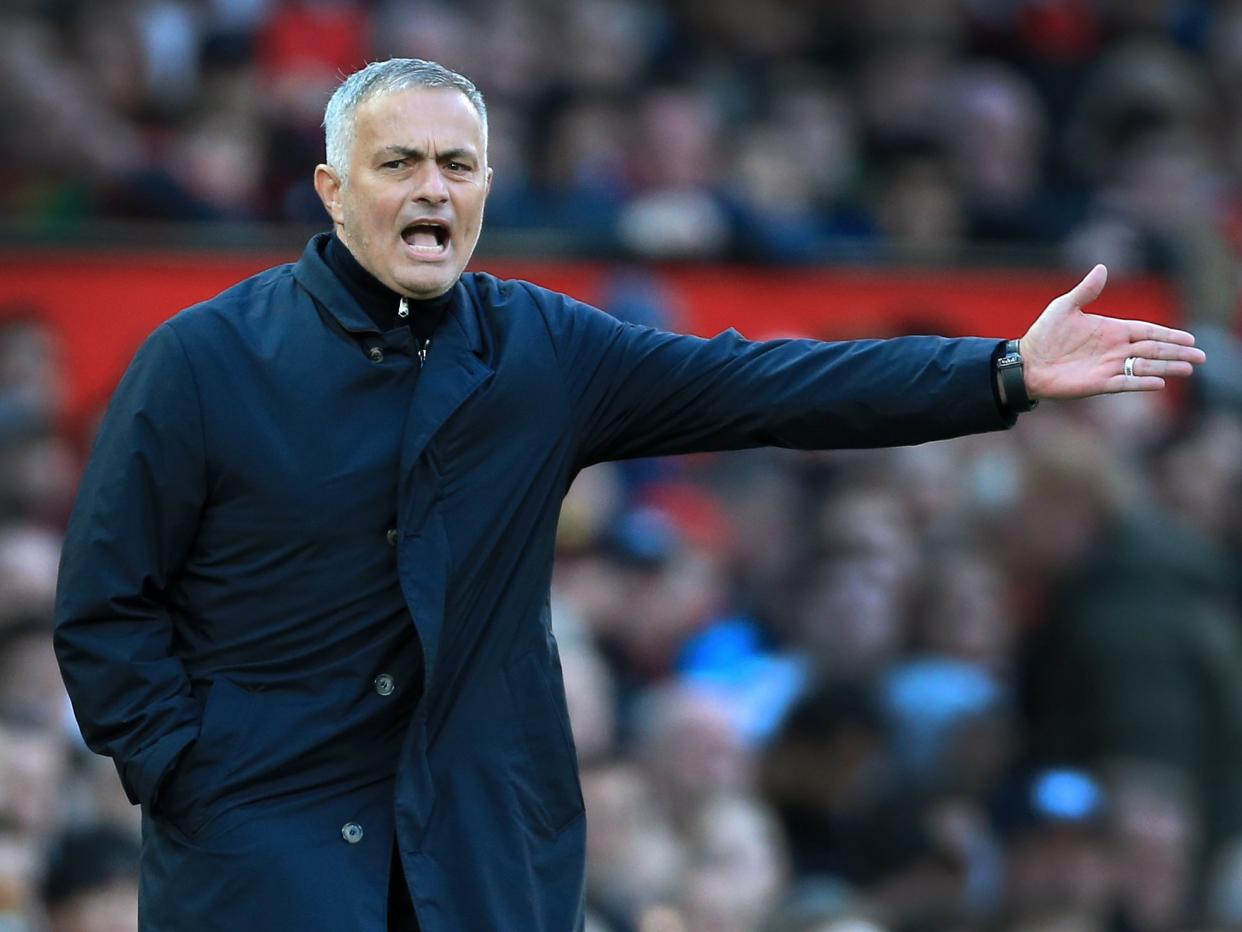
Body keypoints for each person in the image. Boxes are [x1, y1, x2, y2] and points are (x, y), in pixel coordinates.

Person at [51, 58, 1206, 932]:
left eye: (456, 165)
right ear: (330, 188)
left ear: (488, 187)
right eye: (399, 163)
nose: (431, 189)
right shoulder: (201, 361)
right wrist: (194, 774)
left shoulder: (538, 348)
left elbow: (759, 383)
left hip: (482, 856)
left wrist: (999, 370)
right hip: (264, 855)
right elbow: (106, 600)